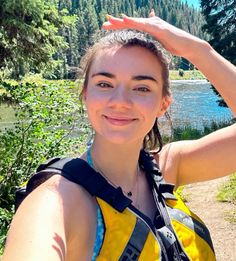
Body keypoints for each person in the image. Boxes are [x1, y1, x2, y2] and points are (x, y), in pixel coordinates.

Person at [3, 10, 236, 261]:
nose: (120, 102)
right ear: (85, 94)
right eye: (104, 84)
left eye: (142, 88)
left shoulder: (167, 167)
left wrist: (200, 50)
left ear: (163, 104)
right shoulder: (57, 202)